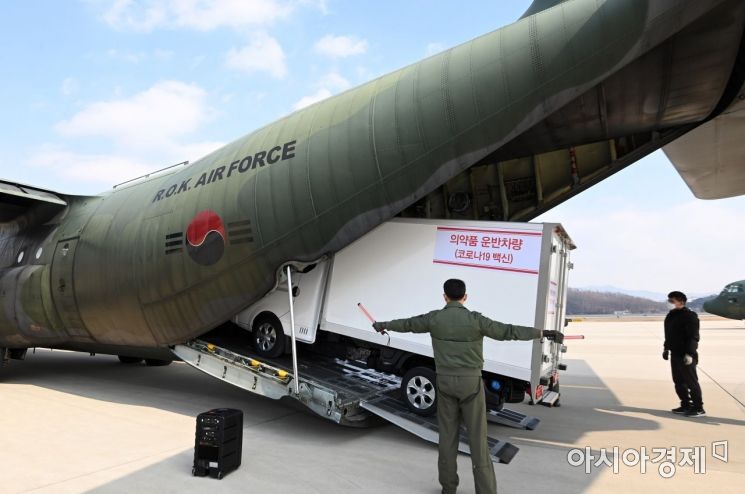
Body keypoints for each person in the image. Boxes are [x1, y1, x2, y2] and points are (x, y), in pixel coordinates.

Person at [372, 278, 563, 494]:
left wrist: (383, 325)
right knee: (478, 441)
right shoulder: (476, 320)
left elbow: (407, 324)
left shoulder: (434, 319)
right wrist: (541, 333)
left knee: (447, 437)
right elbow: (508, 331)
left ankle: (448, 488)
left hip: (444, 383)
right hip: (471, 384)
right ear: (465, 297)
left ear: (444, 296)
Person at [663, 290, 705, 417]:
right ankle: (685, 404)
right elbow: (668, 334)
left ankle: (698, 408)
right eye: (668, 300)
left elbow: (694, 336)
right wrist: (666, 348)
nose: (669, 303)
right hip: (674, 353)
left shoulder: (690, 316)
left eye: (672, 301)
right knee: (678, 381)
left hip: (686, 354)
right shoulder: (671, 315)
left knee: (691, 382)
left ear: (681, 302)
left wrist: (690, 354)